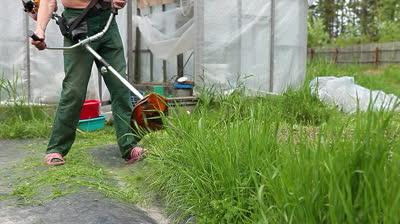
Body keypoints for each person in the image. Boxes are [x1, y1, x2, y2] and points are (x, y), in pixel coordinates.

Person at [31, 0, 145, 166]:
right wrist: (40, 30)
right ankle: (56, 148)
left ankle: (129, 146)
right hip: (77, 24)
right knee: (74, 90)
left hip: (106, 22)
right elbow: (48, 2)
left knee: (119, 86)